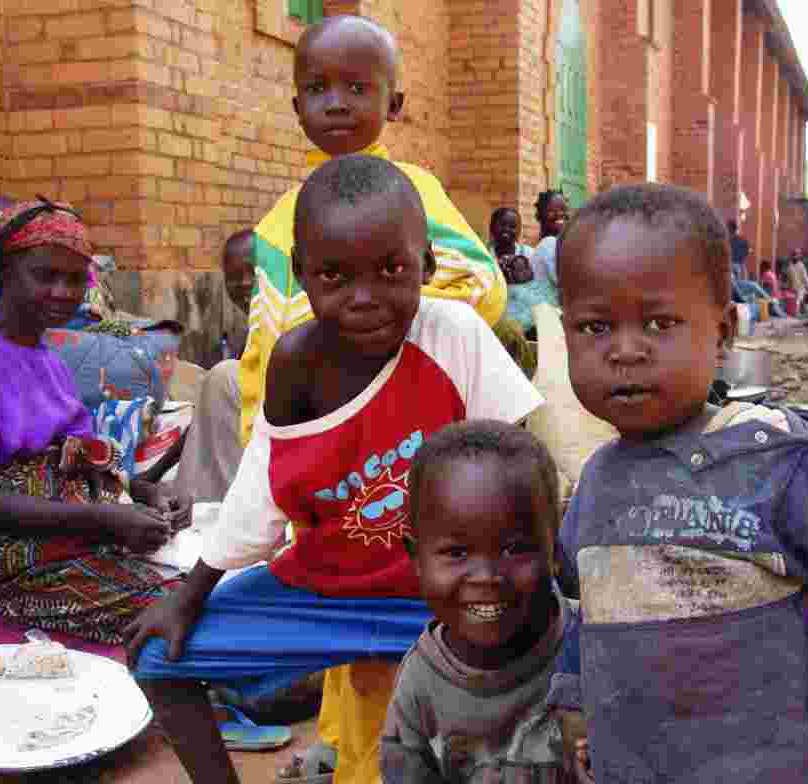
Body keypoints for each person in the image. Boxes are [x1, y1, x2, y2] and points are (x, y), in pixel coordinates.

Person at [125, 156, 544, 784]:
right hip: (327, 591)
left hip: (441, 597)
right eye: (334, 275)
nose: (365, 297)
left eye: (392, 269)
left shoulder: (453, 333)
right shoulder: (295, 363)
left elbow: (522, 469)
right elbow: (260, 490)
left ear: (426, 264)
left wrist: (542, 583)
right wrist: (188, 597)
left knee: (549, 677)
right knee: (157, 656)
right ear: (301, 275)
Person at [547, 183, 808, 783]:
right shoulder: (595, 484)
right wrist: (571, 699)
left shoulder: (773, 461)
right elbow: (585, 609)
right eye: (594, 328)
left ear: (722, 334)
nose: (626, 351)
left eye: (660, 322)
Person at [237, 17, 508, 783]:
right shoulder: (274, 226)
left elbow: (483, 288)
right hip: (326, 467)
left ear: (393, 103)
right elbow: (261, 356)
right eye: (318, 89)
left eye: (357, 87)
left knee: (417, 628)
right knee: (344, 632)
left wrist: (380, 309)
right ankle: (348, 756)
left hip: (406, 451)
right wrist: (272, 451)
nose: (336, 104)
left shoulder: (416, 192)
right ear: (295, 107)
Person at [0, 199, 192, 645]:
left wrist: (147, 492)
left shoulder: (49, 362)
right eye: (45, 276)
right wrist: (103, 519)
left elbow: (81, 471)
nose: (64, 293)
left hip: (77, 541)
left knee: (209, 586)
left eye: (74, 280)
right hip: (10, 564)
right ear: (4, 272)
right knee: (175, 612)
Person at [379, 420, 581, 784]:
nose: (487, 576)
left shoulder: (596, 641)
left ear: (554, 547)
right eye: (456, 553)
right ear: (416, 559)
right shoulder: (420, 689)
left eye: (515, 548)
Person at [142, 230, 256, 502]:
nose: (243, 284)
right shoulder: (253, 333)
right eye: (233, 277)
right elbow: (210, 414)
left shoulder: (285, 331)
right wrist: (154, 472)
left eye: (253, 272)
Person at [489, 208, 558, 337]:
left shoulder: (529, 254)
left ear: (519, 231)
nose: (507, 229)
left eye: (513, 226)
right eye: (502, 225)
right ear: (492, 227)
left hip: (525, 318)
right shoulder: (485, 256)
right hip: (496, 316)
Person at [529, 190, 570, 287]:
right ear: (540, 216)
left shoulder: (555, 243)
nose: (560, 214)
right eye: (552, 211)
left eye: (564, 209)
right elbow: (564, 282)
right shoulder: (549, 244)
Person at [788, 248, 808, 314]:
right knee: (797, 301)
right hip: (796, 287)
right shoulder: (792, 266)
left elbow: (804, 277)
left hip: (797, 287)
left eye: (796, 255)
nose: (795, 256)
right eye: (794, 255)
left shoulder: (799, 265)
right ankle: (797, 313)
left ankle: (797, 313)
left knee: (798, 301)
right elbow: (790, 277)